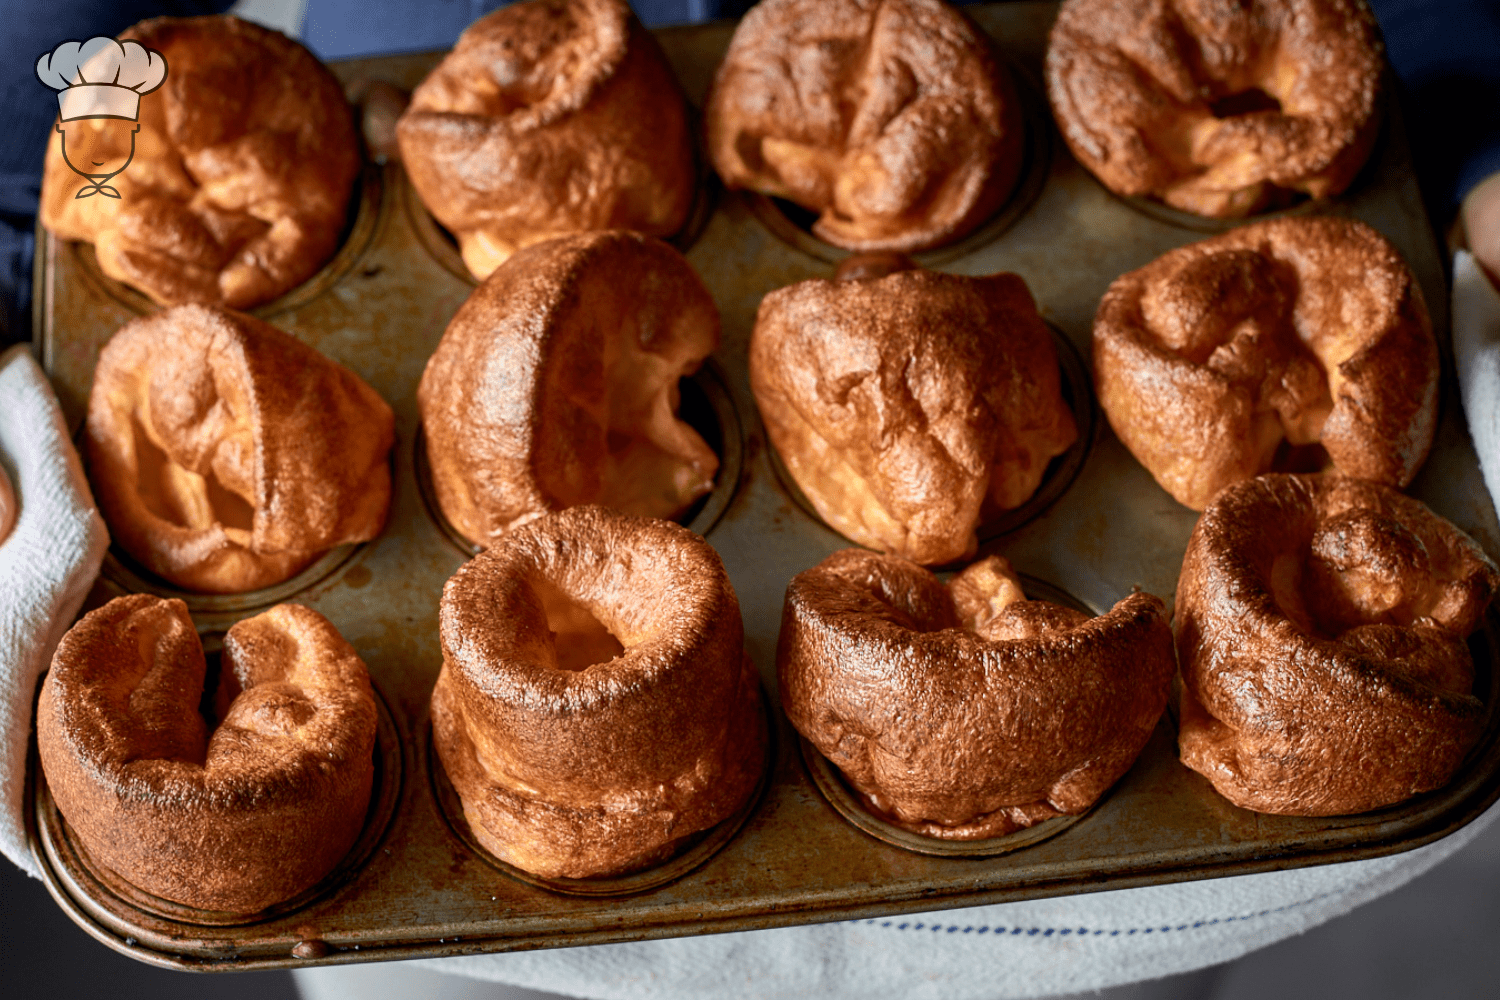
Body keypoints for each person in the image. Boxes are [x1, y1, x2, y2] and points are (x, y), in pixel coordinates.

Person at [1, 3, 1497, 1000]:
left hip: (1116, 877)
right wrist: (16, 241)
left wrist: (1483, 142)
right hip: (478, 922)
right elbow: (54, 87)